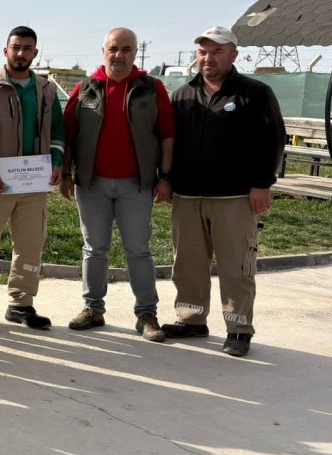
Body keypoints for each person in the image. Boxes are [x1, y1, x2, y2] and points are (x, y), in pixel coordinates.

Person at [163, 26, 285, 357]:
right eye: (203, 52)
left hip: (234, 197)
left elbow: (272, 140)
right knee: (187, 263)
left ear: (233, 54)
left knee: (236, 265)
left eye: (216, 52)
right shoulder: (182, 95)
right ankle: (191, 320)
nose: (208, 58)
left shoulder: (254, 93)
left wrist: (262, 184)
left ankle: (238, 328)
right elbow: (169, 144)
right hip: (187, 196)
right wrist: (166, 179)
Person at [61, 27, 175, 342]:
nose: (119, 55)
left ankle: (147, 315)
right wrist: (67, 174)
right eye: (113, 48)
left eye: (126, 49)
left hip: (136, 185)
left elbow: (167, 134)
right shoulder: (85, 88)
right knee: (94, 249)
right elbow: (69, 135)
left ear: (135, 53)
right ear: (103, 51)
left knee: (138, 250)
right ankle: (93, 309)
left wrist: (164, 177)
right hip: (91, 184)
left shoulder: (151, 88)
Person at [0, 26, 65, 330]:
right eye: (15, 47)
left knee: (31, 244)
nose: (21, 53)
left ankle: (21, 303)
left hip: (35, 182)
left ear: (35, 52)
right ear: (5, 50)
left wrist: (57, 162)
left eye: (27, 48)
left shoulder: (47, 90)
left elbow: (58, 133)